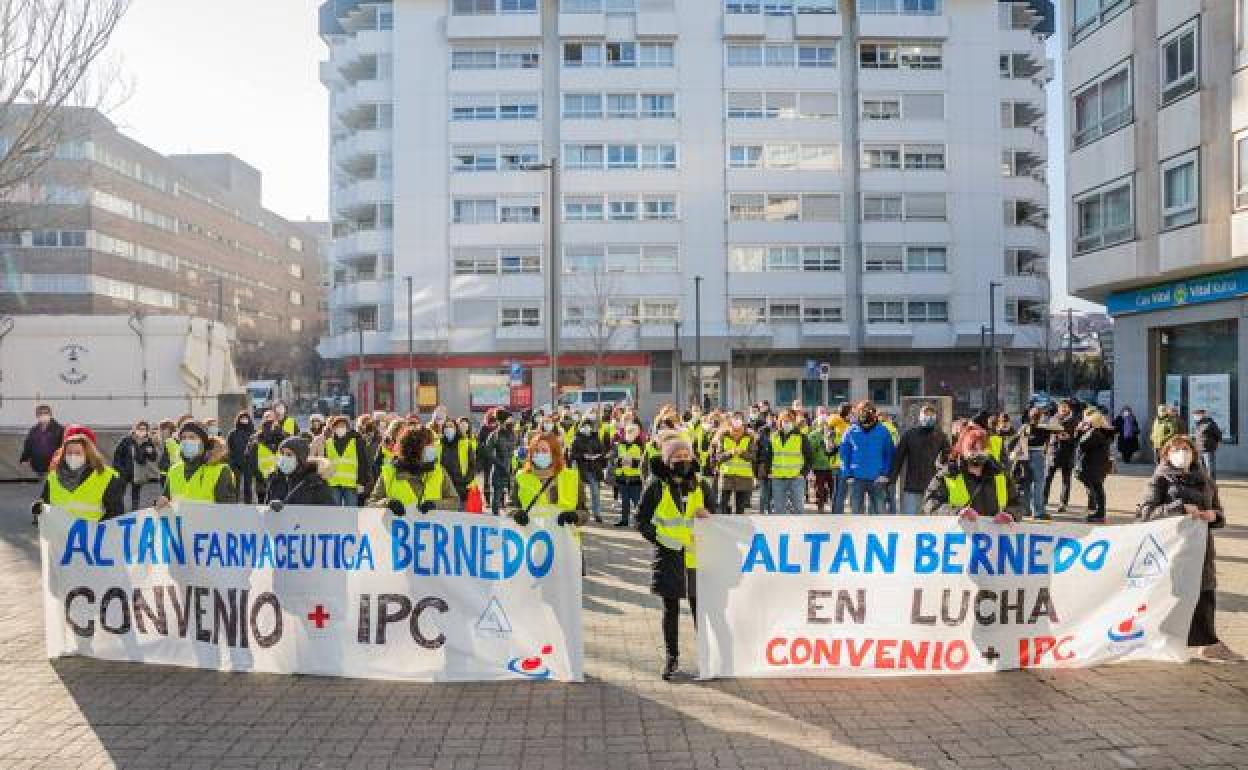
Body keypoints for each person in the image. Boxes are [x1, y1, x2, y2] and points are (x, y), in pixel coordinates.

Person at [1137, 435, 1243, 663]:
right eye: (1175, 449)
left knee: (1205, 593)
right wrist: (1179, 507)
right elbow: (1145, 513)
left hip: (1201, 548)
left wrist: (1214, 516)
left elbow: (1219, 512)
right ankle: (1161, 639)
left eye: (1186, 448)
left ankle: (1209, 643)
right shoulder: (1160, 479)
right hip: (1172, 550)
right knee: (1173, 595)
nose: (1181, 452)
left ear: (1194, 453)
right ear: (1165, 454)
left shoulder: (1205, 479)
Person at [636, 436, 713, 680]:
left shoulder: (701, 483)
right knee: (670, 610)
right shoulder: (656, 484)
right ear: (668, 460)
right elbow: (641, 519)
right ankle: (672, 657)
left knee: (702, 608)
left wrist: (708, 513)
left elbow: (718, 514)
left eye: (686, 455)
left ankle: (709, 657)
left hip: (697, 556)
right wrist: (661, 541)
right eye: (677, 456)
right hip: (668, 556)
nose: (682, 459)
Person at [923, 425, 1022, 521]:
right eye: (973, 449)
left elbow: (1018, 504)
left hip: (994, 535)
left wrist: (1010, 514)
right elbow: (931, 504)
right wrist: (957, 512)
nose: (978, 453)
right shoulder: (947, 475)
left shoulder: (1001, 475)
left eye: (983, 449)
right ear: (962, 450)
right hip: (960, 535)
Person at [32, 427, 125, 524]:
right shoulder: (53, 476)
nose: (73, 457)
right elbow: (46, 503)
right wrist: (38, 509)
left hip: (91, 536)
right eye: (69, 453)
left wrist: (95, 530)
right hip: (60, 536)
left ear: (88, 454)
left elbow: (115, 513)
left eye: (78, 453)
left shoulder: (106, 476)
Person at [368, 426, 460, 515]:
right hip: (395, 529)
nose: (433, 448)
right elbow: (371, 504)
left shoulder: (439, 471)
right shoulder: (389, 473)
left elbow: (454, 502)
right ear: (414, 448)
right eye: (429, 445)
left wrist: (435, 505)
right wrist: (387, 503)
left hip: (430, 529)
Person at [510, 433, 587, 529]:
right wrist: (516, 514)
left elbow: (584, 512)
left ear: (554, 453)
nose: (539, 454)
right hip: (531, 537)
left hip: (564, 538)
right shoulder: (521, 476)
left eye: (544, 451)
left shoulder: (572, 477)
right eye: (536, 451)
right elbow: (512, 507)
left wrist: (575, 516)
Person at [156, 421, 238, 505]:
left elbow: (227, 511)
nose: (187, 441)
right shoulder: (174, 470)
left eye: (192, 437)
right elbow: (166, 499)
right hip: (180, 518)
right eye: (183, 438)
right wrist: (163, 502)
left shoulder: (221, 471)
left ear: (203, 442)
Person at [890, 405, 950, 516]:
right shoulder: (909, 435)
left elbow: (948, 461)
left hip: (934, 487)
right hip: (912, 486)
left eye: (932, 415)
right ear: (920, 416)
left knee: (933, 521)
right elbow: (898, 458)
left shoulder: (941, 436)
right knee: (910, 520)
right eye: (926, 414)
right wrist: (892, 480)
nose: (929, 417)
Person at [840, 401, 895, 515]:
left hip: (877, 479)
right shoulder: (850, 431)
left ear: (874, 413)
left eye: (869, 411)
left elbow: (889, 454)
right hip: (856, 479)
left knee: (878, 514)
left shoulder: (883, 431)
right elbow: (844, 455)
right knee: (856, 514)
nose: (866, 414)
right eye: (862, 411)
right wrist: (848, 474)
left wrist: (885, 474)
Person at [761, 409, 811, 515]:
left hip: (796, 478)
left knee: (798, 509)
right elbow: (768, 456)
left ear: (793, 422)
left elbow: (809, 457)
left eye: (789, 421)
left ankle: (798, 531)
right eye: (784, 421)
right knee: (779, 510)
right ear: (780, 422)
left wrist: (803, 473)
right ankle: (783, 530)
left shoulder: (801, 437)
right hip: (778, 478)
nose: (786, 423)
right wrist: (768, 470)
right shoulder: (774, 437)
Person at [264, 437, 335, 508]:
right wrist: (271, 507)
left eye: (289, 455)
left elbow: (330, 512)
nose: (284, 457)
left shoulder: (314, 482)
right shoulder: (275, 479)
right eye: (282, 453)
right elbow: (265, 509)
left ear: (301, 458)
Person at [323, 415, 373, 507]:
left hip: (351, 484)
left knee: (351, 512)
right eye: (338, 426)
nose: (340, 428)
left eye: (343, 426)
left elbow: (363, 462)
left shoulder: (356, 441)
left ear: (347, 428)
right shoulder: (328, 443)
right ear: (333, 428)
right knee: (334, 512)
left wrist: (361, 482)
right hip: (333, 483)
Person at [1012, 408, 1052, 520]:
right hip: (1038, 454)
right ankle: (1038, 511)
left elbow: (1016, 439)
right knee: (1038, 483)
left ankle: (1025, 510)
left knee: (1026, 483)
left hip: (1024, 456)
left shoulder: (1024, 427)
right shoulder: (1045, 428)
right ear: (1041, 416)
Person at [1075, 410, 1115, 523]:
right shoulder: (1105, 431)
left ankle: (1099, 513)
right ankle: (1099, 512)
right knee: (1099, 488)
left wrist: (1079, 431)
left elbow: (1081, 445)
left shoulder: (1094, 433)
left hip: (1093, 465)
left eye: (1088, 422)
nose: (1086, 423)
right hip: (1100, 465)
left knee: (1097, 489)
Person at [112, 420, 161, 511]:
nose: (142, 431)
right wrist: (120, 470)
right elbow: (117, 456)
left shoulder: (148, 441)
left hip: (139, 474)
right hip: (125, 473)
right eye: (140, 429)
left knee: (136, 496)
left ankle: (135, 513)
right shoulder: (126, 440)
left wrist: (149, 451)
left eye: (144, 429)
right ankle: (120, 512)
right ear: (135, 429)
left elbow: (153, 458)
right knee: (121, 495)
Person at [1042, 400, 1079, 514]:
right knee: (1047, 478)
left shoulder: (1074, 421)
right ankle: (1043, 501)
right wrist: (1046, 448)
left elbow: (1078, 438)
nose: (1063, 409)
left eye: (1065, 407)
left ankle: (1063, 504)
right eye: (1061, 407)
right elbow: (1047, 435)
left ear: (1069, 409)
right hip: (1053, 453)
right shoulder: (1053, 419)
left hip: (1067, 454)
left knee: (1066, 481)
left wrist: (1069, 437)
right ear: (1058, 409)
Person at [569, 415, 608, 524]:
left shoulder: (596, 438)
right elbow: (572, 454)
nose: (587, 428)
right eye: (584, 426)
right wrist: (583, 456)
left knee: (595, 492)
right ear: (581, 427)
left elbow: (602, 451)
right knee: (580, 493)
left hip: (593, 469)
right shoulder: (576, 439)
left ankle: (597, 514)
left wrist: (597, 456)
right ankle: (579, 512)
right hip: (581, 469)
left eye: (589, 426)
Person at [715, 414, 755, 515]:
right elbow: (718, 457)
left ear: (743, 428)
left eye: (739, 429)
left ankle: (739, 529)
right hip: (726, 477)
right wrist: (730, 453)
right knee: (723, 506)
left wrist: (741, 453)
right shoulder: (723, 437)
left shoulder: (749, 438)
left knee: (740, 509)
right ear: (729, 428)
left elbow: (753, 457)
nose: (736, 432)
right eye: (734, 429)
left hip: (744, 477)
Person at [613, 421, 646, 526]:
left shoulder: (641, 446)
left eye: (632, 431)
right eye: (628, 431)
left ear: (637, 433)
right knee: (625, 501)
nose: (629, 433)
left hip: (635, 478)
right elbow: (614, 459)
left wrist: (633, 462)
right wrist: (619, 461)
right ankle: (624, 520)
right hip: (622, 477)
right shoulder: (620, 445)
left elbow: (644, 463)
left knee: (637, 502)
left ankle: (639, 522)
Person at [247, 415, 286, 504]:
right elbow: (252, 463)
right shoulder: (256, 442)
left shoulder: (282, 441)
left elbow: (251, 463)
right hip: (266, 483)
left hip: (274, 482)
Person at [439, 418, 476, 509]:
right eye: (446, 427)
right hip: (444, 487)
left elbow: (472, 465)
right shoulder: (438, 444)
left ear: (456, 428)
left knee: (461, 515)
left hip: (461, 486)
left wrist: (466, 480)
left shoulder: (465, 443)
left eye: (451, 426)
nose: (448, 429)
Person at [20, 404, 64, 476]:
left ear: (50, 414)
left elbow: (63, 447)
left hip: (54, 468)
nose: (43, 415)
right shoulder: (34, 430)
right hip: (37, 467)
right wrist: (24, 459)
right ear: (37, 416)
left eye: (46, 413)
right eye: (41, 413)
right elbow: (28, 445)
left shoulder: (59, 430)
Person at [808, 417, 839, 514]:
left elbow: (837, 447)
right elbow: (811, 449)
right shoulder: (813, 435)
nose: (824, 425)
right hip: (819, 465)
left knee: (833, 488)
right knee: (820, 488)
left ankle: (834, 507)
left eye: (826, 423)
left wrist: (832, 442)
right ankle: (820, 507)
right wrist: (821, 441)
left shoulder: (832, 433)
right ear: (817, 424)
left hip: (831, 465)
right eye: (822, 423)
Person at [226, 412, 256, 503]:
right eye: (242, 418)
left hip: (249, 463)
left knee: (248, 486)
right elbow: (229, 448)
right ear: (238, 419)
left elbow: (256, 449)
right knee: (235, 486)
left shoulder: (253, 433)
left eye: (246, 418)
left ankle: (248, 504)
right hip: (236, 463)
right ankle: (234, 503)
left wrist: (254, 463)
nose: (244, 420)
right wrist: (231, 462)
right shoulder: (233, 433)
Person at [1192, 408, 1223, 482]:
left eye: (1196, 415)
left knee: (1210, 468)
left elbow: (1218, 435)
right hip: (1199, 450)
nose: (1195, 417)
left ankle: (1212, 482)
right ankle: (1205, 482)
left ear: (1202, 415)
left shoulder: (1210, 423)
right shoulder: (1198, 424)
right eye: (1194, 415)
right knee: (1202, 468)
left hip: (1208, 449)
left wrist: (1216, 444)